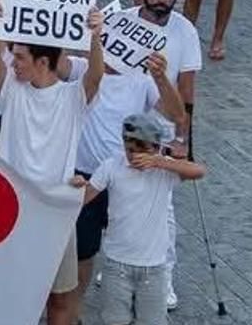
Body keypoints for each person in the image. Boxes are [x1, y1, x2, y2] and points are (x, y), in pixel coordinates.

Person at [0, 0, 108, 325]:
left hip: (55, 212)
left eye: (20, 57)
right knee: (6, 296)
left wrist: (96, 36)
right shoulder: (13, 90)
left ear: (43, 61)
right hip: (11, 211)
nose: (13, 63)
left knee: (59, 299)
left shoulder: (71, 98)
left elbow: (95, 76)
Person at [82, 113, 207, 325]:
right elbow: (86, 195)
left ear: (156, 148)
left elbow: (198, 171)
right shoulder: (112, 166)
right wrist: (76, 188)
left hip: (154, 267)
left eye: (142, 150)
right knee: (114, 320)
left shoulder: (163, 170)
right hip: (116, 264)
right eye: (129, 149)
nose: (134, 156)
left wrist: (161, 162)